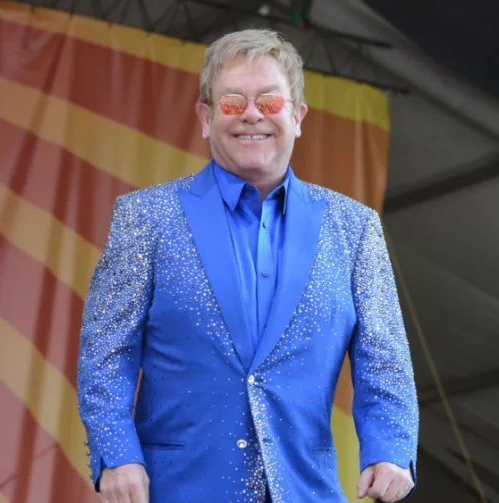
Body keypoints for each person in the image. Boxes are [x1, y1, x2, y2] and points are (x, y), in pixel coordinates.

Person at [77, 28, 419, 503]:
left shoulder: (354, 228)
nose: (252, 114)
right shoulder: (146, 219)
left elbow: (385, 360)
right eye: (233, 102)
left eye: (270, 102)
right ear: (205, 117)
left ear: (298, 117)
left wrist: (391, 450)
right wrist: (117, 454)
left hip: (305, 490)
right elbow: (106, 352)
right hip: (174, 489)